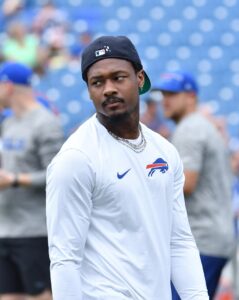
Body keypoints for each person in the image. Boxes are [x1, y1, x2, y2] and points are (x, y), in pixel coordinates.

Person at [46, 35, 209, 300]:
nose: (108, 88)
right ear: (89, 91)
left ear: (140, 79)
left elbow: (178, 240)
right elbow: (65, 257)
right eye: (97, 82)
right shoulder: (76, 158)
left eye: (118, 77)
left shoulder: (165, 152)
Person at [156, 71, 235, 299]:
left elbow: (186, 184)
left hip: (201, 238)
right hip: (213, 234)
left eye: (172, 94)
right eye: (163, 94)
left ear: (190, 96)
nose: (165, 101)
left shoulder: (190, 129)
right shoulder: (201, 125)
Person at [0, 62, 64, 300]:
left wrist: (16, 180)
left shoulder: (45, 122)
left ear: (7, 86)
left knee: (41, 296)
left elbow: (57, 175)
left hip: (34, 229)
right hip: (5, 228)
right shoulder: (8, 122)